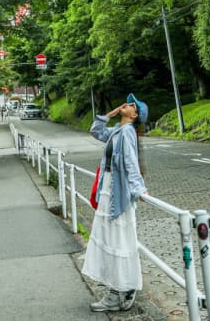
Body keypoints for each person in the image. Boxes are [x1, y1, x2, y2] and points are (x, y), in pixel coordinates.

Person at [82, 93, 149, 313]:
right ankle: (119, 290)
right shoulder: (117, 131)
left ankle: (119, 291)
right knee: (111, 238)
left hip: (117, 192)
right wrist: (109, 115)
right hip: (108, 189)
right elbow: (96, 131)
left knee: (117, 240)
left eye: (132, 105)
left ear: (135, 115)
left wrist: (138, 188)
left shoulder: (128, 133)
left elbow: (130, 162)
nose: (126, 104)